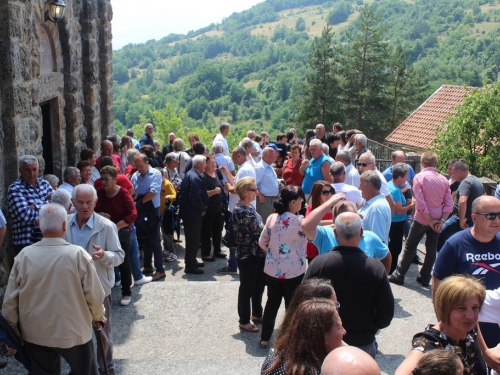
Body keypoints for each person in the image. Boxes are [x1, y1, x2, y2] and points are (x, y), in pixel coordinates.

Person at [2, 203, 106, 375]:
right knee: (85, 371)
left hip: (36, 331)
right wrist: (98, 316)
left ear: (39, 225)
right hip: (74, 329)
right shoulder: (78, 255)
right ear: (65, 225)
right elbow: (95, 295)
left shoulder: (24, 256)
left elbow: (10, 301)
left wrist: (12, 334)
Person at [304, 212, 394, 357]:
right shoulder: (375, 269)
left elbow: (303, 301)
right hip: (362, 342)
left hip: (324, 340)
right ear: (361, 232)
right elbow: (386, 313)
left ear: (335, 233)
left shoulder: (319, 264)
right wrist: (372, 327)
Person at [64, 185, 125, 375]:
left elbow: (119, 256)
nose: (84, 206)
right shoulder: (64, 224)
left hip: (98, 290)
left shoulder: (106, 226)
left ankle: (107, 370)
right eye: (80, 202)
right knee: (76, 337)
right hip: (71, 291)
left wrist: (104, 255)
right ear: (72, 203)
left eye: (89, 202)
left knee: (102, 336)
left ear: (95, 202)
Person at [433, 195, 500, 349]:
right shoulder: (455, 244)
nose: (496, 220)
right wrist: (444, 321)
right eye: (490, 216)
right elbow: (438, 283)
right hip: (465, 326)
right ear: (474, 217)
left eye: (499, 215)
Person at [395, 275, 487, 375]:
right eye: (461, 308)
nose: (470, 316)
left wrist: (488, 353)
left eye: (475, 308)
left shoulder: (469, 328)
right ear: (445, 309)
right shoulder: (429, 343)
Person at [389, 151, 453, 287]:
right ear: (436, 163)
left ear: (422, 163)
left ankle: (399, 275)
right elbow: (449, 204)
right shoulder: (443, 180)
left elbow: (420, 202)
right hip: (437, 219)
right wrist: (441, 221)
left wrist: (429, 220)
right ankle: (425, 278)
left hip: (422, 219)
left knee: (410, 246)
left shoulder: (419, 177)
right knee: (431, 248)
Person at [258, 185, 307, 348]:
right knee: (291, 306)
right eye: (301, 199)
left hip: (272, 269)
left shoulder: (272, 217)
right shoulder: (300, 221)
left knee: (272, 303)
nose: (302, 202)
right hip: (294, 271)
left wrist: (273, 254)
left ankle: (264, 338)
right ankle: (290, 341)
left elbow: (262, 242)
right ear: (293, 202)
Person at [302, 199, 392, 274]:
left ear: (358, 218)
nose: (347, 220)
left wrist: (381, 280)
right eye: (342, 216)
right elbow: (306, 225)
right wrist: (330, 202)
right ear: (333, 221)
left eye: (351, 216)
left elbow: (386, 258)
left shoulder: (370, 237)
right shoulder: (325, 234)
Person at [261, 299, 346, 375]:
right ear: (321, 336)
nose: (344, 331)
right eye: (339, 327)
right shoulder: (326, 371)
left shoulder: (273, 357)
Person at [95, 166, 137, 306]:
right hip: (102, 231)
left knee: (123, 262)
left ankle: (126, 291)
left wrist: (117, 226)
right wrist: (99, 215)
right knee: (102, 260)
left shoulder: (123, 193)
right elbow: (91, 210)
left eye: (107, 179)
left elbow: (133, 214)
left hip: (121, 231)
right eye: (102, 179)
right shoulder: (99, 193)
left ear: (114, 180)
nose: (104, 182)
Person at [232, 177, 265, 333]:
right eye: (253, 189)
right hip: (248, 254)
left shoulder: (249, 207)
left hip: (257, 253)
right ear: (245, 192)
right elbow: (258, 231)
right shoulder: (241, 210)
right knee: (247, 288)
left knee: (258, 285)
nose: (256, 192)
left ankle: (257, 313)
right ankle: (244, 320)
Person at [217, 147, 256, 275]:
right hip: (244, 206)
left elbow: (237, 189)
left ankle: (232, 264)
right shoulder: (246, 168)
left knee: (235, 237)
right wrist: (227, 172)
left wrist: (228, 187)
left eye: (233, 157)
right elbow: (236, 181)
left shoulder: (244, 169)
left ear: (239, 156)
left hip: (239, 208)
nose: (232, 160)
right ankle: (236, 263)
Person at [131, 153, 166, 281]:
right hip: (140, 209)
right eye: (137, 166)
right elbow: (132, 191)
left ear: (147, 163)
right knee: (144, 239)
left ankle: (160, 269)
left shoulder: (155, 174)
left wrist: (140, 201)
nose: (139, 168)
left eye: (141, 166)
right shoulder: (135, 175)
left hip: (152, 209)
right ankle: (147, 266)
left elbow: (153, 191)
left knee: (155, 240)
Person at [8, 155, 53, 254]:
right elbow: (25, 215)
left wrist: (35, 206)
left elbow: (57, 208)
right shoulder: (15, 188)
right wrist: (46, 204)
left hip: (46, 241)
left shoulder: (44, 184)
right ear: (20, 170)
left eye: (34, 169)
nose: (32, 174)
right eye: (27, 170)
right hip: (25, 244)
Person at [437, 161, 485, 251]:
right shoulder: (477, 181)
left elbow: (462, 201)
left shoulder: (465, 182)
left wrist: (462, 219)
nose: (453, 176)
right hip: (471, 220)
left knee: (439, 234)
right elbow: (484, 198)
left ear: (460, 172)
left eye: (454, 174)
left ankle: (442, 259)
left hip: (459, 219)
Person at [179, 155, 209, 274]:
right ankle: (190, 266)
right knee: (193, 240)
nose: (206, 165)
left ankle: (191, 260)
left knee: (193, 240)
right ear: (199, 164)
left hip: (190, 214)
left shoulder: (192, 174)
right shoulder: (194, 177)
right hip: (192, 215)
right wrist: (203, 208)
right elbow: (194, 197)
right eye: (204, 163)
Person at [388, 163, 415, 273]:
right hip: (396, 222)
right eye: (405, 176)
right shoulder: (394, 190)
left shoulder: (391, 185)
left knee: (394, 246)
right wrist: (411, 205)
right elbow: (399, 210)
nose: (407, 178)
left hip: (394, 222)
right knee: (396, 248)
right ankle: (391, 270)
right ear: (400, 177)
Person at [200, 154, 226, 261]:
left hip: (218, 209)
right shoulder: (203, 177)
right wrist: (215, 191)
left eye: (215, 162)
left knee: (218, 230)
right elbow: (202, 194)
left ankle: (217, 250)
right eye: (212, 163)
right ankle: (206, 253)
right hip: (208, 209)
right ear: (205, 164)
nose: (214, 164)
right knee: (206, 232)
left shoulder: (215, 174)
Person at [304, 181, 336, 262]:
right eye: (325, 193)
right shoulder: (311, 209)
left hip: (331, 247)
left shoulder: (336, 208)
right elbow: (310, 223)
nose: (329, 195)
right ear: (318, 195)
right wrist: (334, 222)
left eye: (331, 191)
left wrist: (320, 223)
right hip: (314, 248)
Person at [358, 171, 392, 244]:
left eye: (361, 185)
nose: (359, 188)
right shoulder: (372, 204)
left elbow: (378, 241)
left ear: (370, 186)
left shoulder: (376, 208)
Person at [255, 147, 280, 223]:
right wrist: (259, 195)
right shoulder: (259, 167)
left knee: (272, 223)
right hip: (265, 201)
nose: (275, 156)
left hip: (273, 200)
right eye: (273, 155)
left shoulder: (269, 166)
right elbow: (252, 184)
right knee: (265, 223)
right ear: (266, 155)